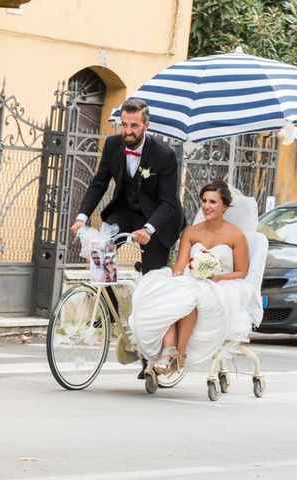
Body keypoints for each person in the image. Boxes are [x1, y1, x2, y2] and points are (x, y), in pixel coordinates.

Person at [129, 180, 263, 373]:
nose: (207, 206)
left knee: (192, 298)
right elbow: (182, 262)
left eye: (213, 202)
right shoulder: (191, 232)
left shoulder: (236, 235)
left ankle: (179, 353)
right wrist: (177, 273)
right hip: (193, 279)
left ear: (225, 206)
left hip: (221, 285)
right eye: (204, 201)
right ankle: (169, 350)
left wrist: (217, 277)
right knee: (165, 291)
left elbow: (242, 271)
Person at [70, 98, 185, 274]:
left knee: (152, 277)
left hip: (158, 218)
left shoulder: (164, 154)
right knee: (101, 259)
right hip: (125, 210)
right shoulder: (112, 145)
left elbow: (168, 201)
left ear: (146, 125)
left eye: (134, 126)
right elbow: (99, 184)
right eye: (124, 125)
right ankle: (105, 300)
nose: (128, 131)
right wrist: (82, 217)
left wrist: (148, 229)